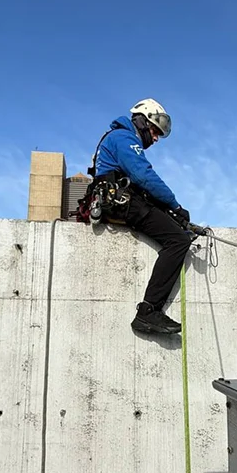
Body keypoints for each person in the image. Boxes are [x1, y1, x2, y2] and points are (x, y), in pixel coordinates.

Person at [90, 98, 192, 334]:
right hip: (122, 202)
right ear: (142, 121)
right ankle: (148, 312)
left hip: (124, 198)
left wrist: (174, 215)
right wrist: (176, 206)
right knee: (178, 241)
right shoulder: (123, 138)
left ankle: (149, 311)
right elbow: (144, 176)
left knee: (176, 230)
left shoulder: (119, 138)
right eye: (155, 131)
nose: (155, 138)